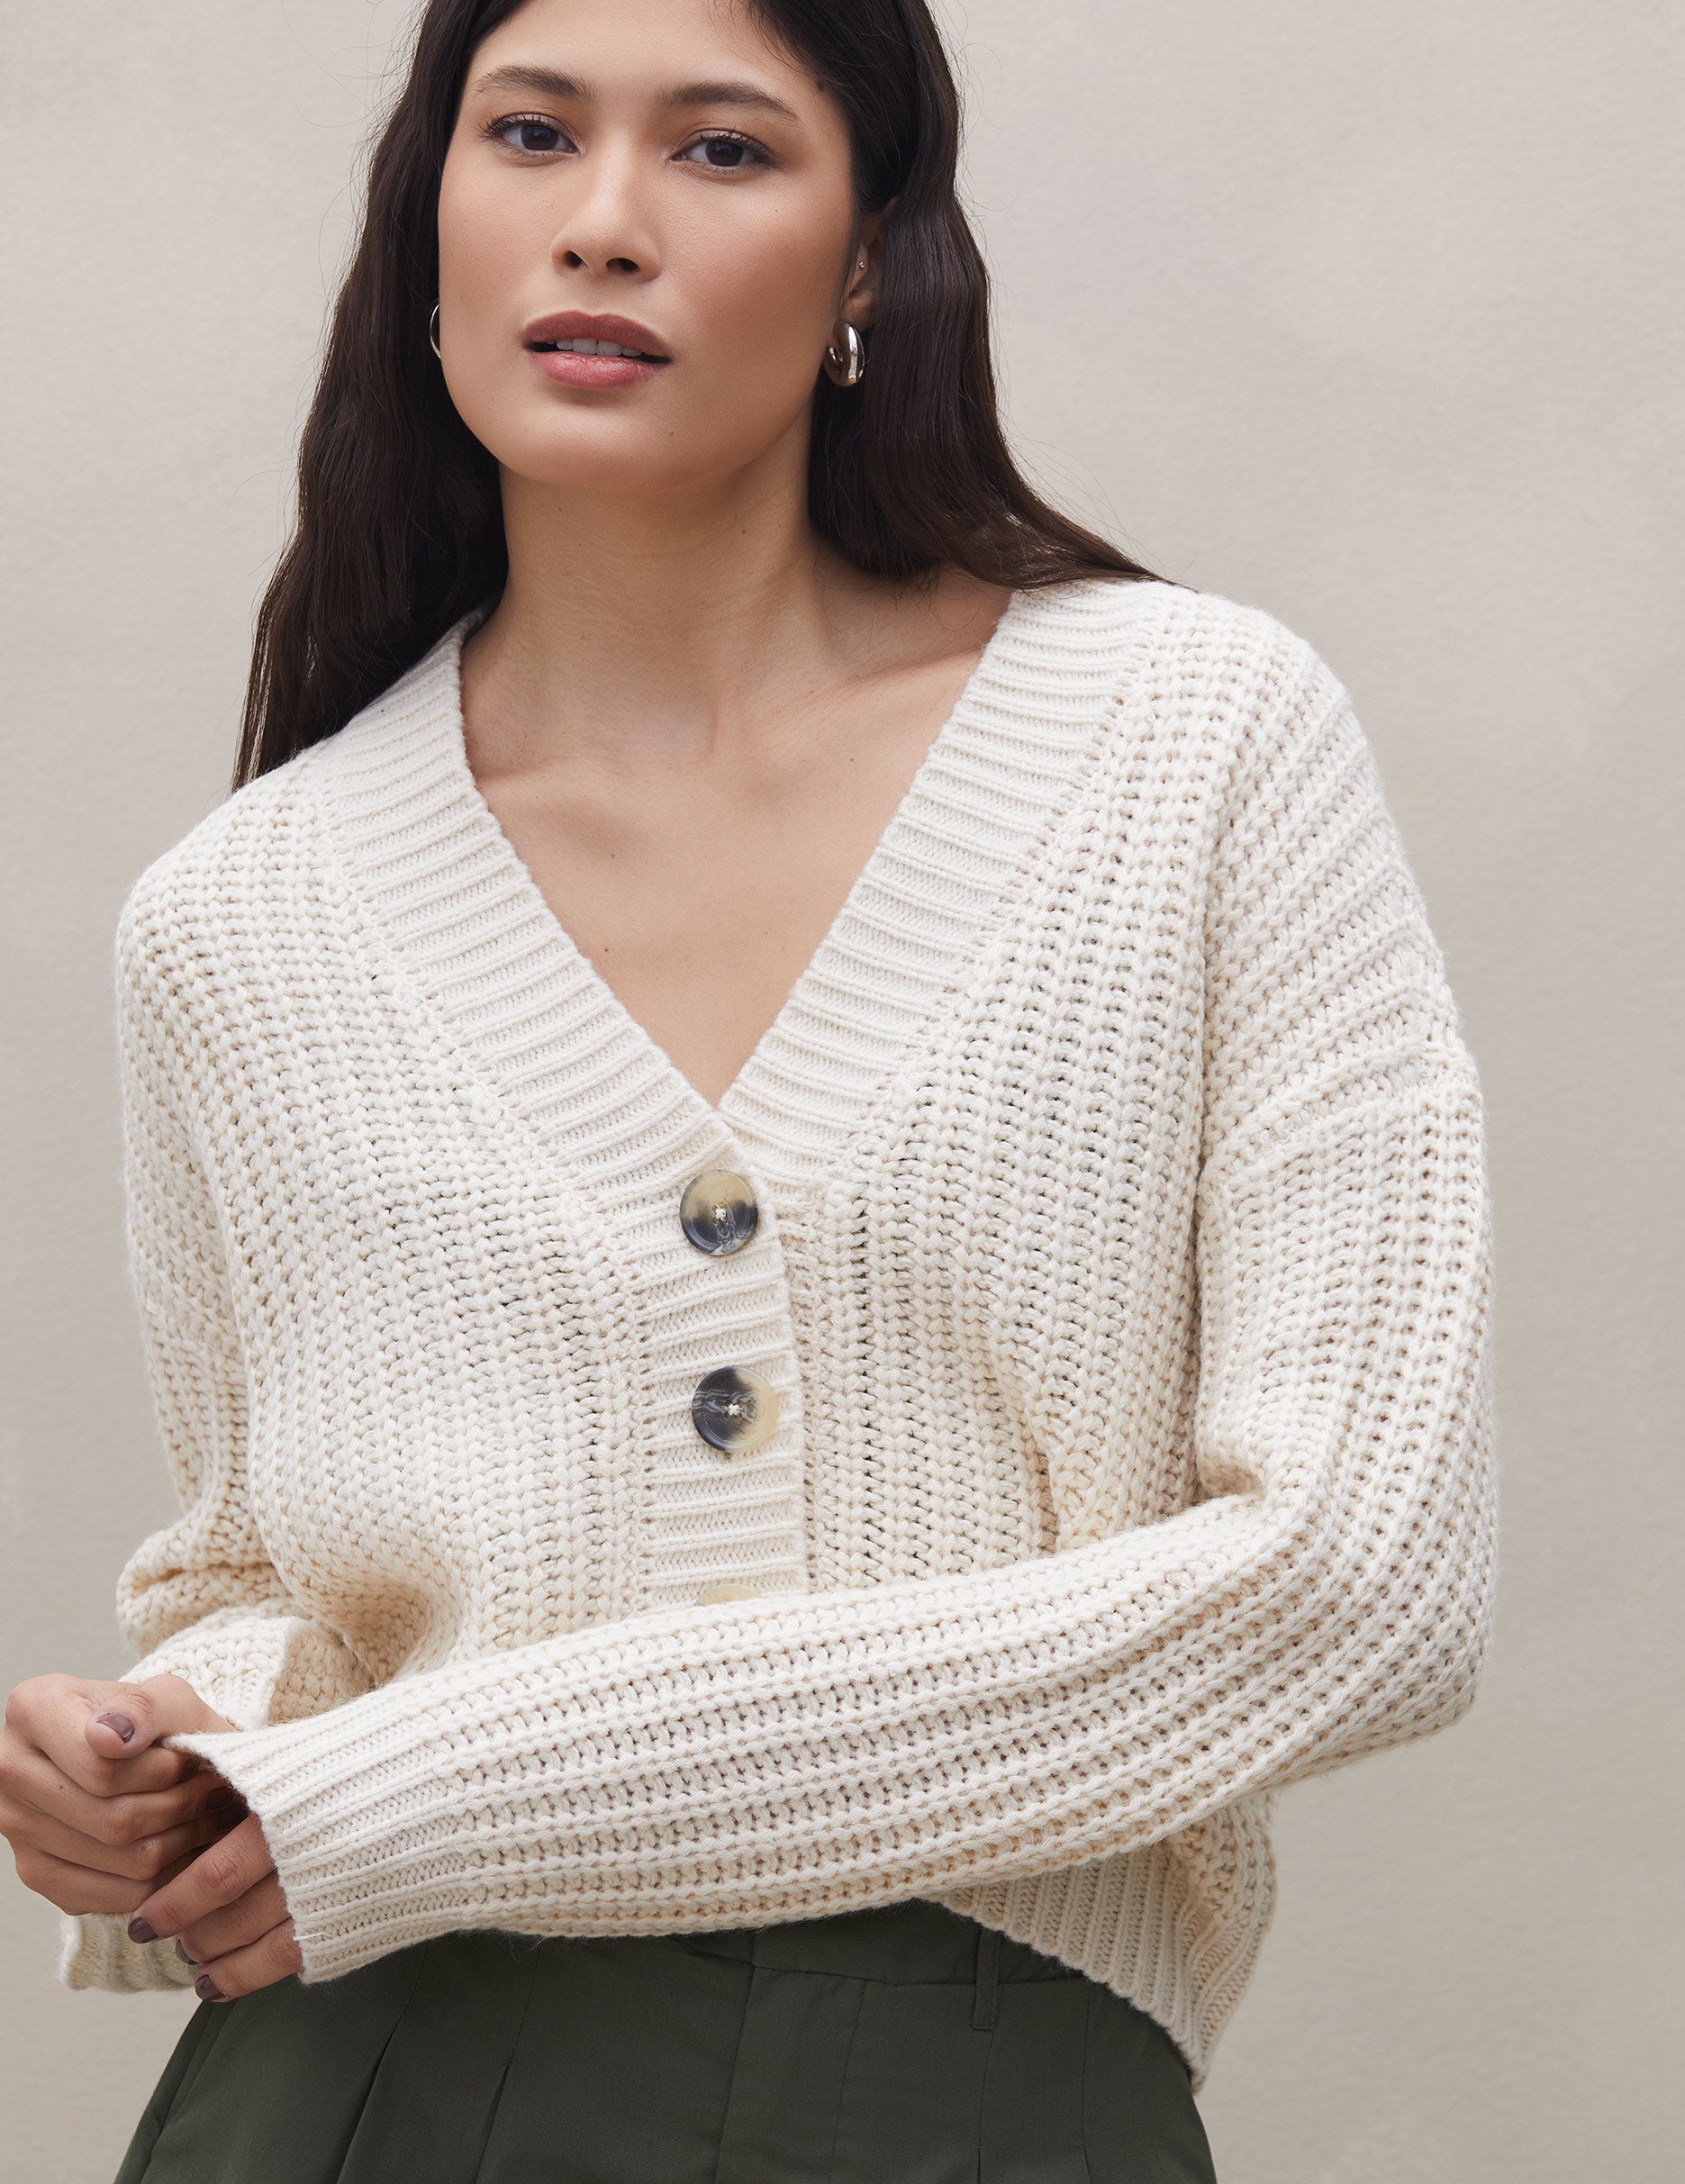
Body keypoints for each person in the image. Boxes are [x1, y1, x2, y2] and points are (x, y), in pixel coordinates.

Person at [0, 0, 1497, 2177]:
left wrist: (443, 1791)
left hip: (990, 2085)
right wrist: (163, 1748)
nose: (604, 223)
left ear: (874, 251)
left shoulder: (1196, 745)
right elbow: (264, 1583)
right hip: (359, 2090)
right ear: (431, 220)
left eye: (721, 149)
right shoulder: (241, 918)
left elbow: (1361, 1588)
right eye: (531, 133)